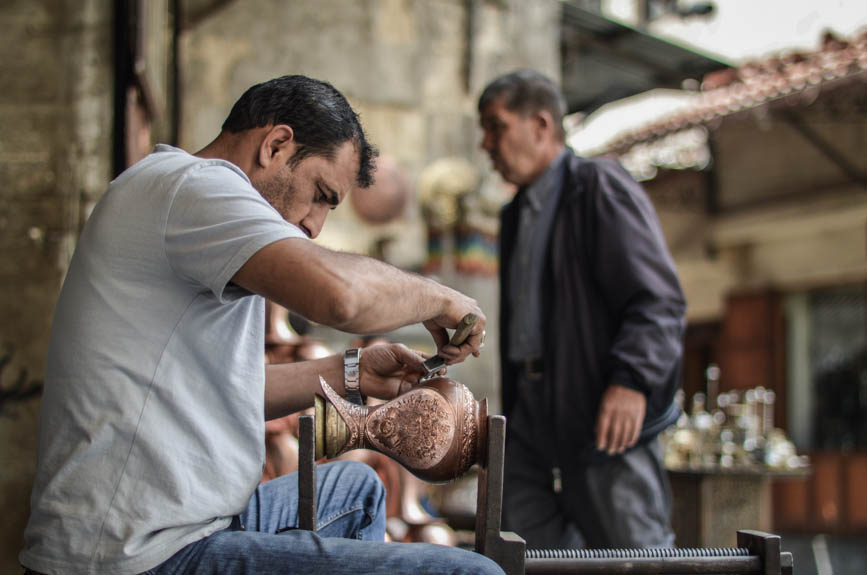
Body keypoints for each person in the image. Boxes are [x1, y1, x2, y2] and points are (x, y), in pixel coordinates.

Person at [20, 75, 501, 575]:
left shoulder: (198, 210)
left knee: (357, 489)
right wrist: (440, 297)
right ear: (275, 145)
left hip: (187, 523)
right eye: (320, 194)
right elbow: (342, 298)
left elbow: (229, 391)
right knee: (476, 573)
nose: (314, 225)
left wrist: (354, 373)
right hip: (136, 555)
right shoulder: (197, 187)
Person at [478, 69, 686, 549]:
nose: (486, 144)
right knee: (523, 549)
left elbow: (658, 299)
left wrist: (632, 381)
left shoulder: (597, 186)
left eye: (496, 126)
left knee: (636, 556)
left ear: (542, 126)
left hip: (602, 413)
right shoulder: (514, 215)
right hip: (531, 414)